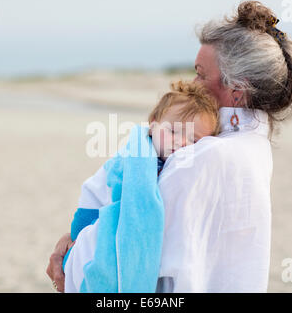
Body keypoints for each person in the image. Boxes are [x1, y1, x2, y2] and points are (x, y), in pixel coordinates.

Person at [47, 0, 292, 292]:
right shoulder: (254, 149)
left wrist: (68, 254)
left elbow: (124, 244)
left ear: (236, 91)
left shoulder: (199, 158)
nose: (193, 83)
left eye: (201, 73)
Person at [60, 80, 220, 292]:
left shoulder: (184, 169)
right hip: (103, 239)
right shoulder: (130, 157)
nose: (181, 142)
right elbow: (94, 190)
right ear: (153, 125)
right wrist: (77, 235)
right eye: (173, 131)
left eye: (193, 139)